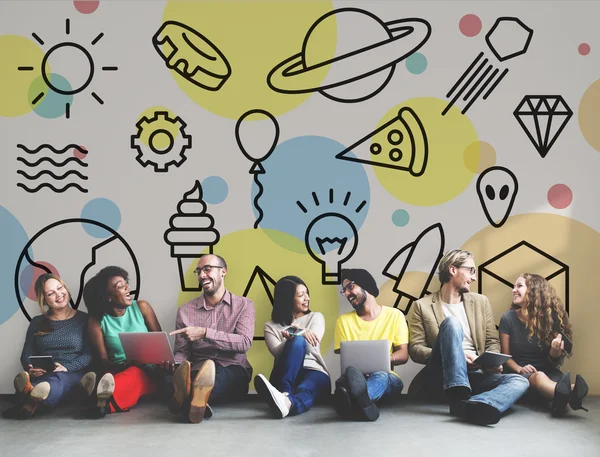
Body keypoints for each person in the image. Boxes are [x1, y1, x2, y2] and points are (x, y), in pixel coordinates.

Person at [409, 249, 530, 425]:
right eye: (471, 270)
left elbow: (492, 341)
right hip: (440, 374)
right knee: (451, 323)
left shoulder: (481, 302)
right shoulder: (422, 306)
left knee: (520, 381)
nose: (474, 277)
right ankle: (459, 392)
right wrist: (454, 355)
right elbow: (415, 349)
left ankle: (475, 404)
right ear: (453, 270)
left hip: (476, 372)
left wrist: (490, 362)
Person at [168, 254, 255, 424]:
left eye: (207, 269)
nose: (201, 275)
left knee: (218, 376)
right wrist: (177, 366)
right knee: (174, 376)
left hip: (232, 368)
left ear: (223, 271)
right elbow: (182, 351)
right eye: (199, 271)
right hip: (197, 368)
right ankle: (197, 402)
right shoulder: (185, 311)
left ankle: (185, 398)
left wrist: (205, 333)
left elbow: (244, 342)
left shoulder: (244, 305)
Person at [3, 274, 94, 419]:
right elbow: (27, 353)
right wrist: (31, 368)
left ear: (65, 288)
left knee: (58, 380)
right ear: (44, 300)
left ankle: (29, 398)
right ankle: (33, 394)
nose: (58, 295)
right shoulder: (37, 322)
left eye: (60, 288)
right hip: (45, 373)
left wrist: (67, 367)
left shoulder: (84, 319)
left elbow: (89, 354)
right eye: (51, 293)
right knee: (40, 381)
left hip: (72, 373)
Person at [500, 273, 588, 417]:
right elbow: (505, 357)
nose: (514, 290)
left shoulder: (549, 320)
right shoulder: (508, 318)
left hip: (549, 373)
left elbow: (554, 362)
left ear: (533, 291)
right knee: (539, 377)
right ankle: (571, 393)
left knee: (557, 379)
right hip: (519, 375)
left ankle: (561, 396)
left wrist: (555, 351)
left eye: (519, 286)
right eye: (513, 286)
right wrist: (520, 368)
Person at [84, 265, 166, 418]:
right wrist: (124, 365)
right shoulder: (97, 321)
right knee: (125, 375)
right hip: (118, 369)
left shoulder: (142, 307)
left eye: (125, 283)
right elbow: (102, 360)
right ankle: (100, 400)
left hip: (150, 371)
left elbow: (161, 344)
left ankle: (96, 399)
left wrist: (165, 362)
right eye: (120, 286)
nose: (128, 288)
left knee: (136, 375)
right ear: (108, 296)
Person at [333, 268, 409, 422]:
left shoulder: (395, 315)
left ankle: (354, 403)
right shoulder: (343, 321)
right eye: (344, 290)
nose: (347, 294)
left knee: (381, 375)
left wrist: (382, 361)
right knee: (351, 381)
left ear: (365, 285)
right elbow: (347, 361)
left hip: (388, 380)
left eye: (350, 287)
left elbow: (403, 355)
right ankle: (363, 405)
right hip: (357, 378)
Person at [254, 276, 330, 418]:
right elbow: (277, 352)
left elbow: (312, 347)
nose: (307, 298)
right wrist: (292, 334)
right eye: (301, 295)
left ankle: (286, 402)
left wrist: (299, 330)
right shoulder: (270, 326)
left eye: (307, 293)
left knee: (305, 389)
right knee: (296, 341)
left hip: (313, 371)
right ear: (287, 299)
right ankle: (286, 392)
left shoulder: (316, 317)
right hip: (284, 373)